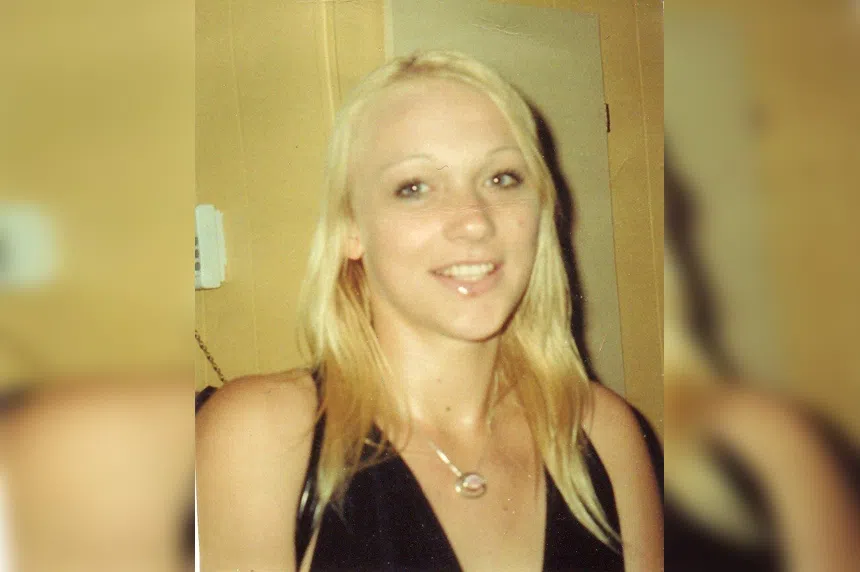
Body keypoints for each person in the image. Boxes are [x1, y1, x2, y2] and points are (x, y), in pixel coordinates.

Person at [196, 50, 662, 571]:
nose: (474, 221)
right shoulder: (264, 436)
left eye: (502, 178)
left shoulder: (604, 433)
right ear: (351, 229)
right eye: (414, 188)